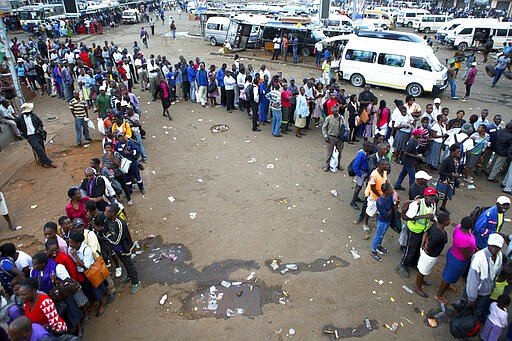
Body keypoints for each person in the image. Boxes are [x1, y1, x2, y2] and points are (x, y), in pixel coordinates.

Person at [435, 216, 476, 304]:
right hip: (458, 261)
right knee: (448, 277)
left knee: (451, 276)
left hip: (454, 254)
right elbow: (466, 256)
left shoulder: (459, 228)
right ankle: (439, 295)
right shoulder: (463, 239)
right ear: (470, 227)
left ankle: (448, 285)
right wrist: (476, 255)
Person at [463, 233, 504, 322]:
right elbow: (472, 280)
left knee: (478, 311)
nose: (494, 248)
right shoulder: (479, 257)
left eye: (497, 247)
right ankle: (462, 326)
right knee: (467, 309)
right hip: (475, 291)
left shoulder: (499, 256)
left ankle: (472, 324)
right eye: (491, 246)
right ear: (488, 244)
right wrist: (472, 298)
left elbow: (497, 271)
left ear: (500, 248)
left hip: (486, 292)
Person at [398, 187, 437, 278]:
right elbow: (408, 217)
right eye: (429, 196)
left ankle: (413, 263)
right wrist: (424, 216)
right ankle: (403, 264)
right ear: (425, 196)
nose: (431, 199)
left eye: (432, 196)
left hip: (423, 230)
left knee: (418, 249)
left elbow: (432, 215)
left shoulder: (433, 204)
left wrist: (433, 219)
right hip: (413, 230)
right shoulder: (417, 204)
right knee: (410, 249)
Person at [103, 204, 140, 294]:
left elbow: (117, 240)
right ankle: (129, 275)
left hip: (124, 247)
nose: (104, 212)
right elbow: (104, 232)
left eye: (106, 211)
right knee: (123, 262)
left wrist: (108, 237)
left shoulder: (120, 223)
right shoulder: (107, 220)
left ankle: (135, 281)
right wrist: (109, 237)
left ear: (112, 213)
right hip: (116, 247)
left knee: (129, 263)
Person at [67, 232, 106, 317]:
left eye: (71, 242)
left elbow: (86, 266)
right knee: (87, 289)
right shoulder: (70, 248)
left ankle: (101, 304)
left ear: (78, 243)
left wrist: (75, 256)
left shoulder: (86, 249)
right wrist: (78, 262)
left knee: (96, 288)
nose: (69, 244)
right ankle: (93, 301)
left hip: (91, 272)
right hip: (81, 273)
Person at [414, 212, 450, 298]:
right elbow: (429, 246)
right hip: (429, 256)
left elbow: (426, 233)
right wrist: (425, 244)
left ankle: (421, 281)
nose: (449, 221)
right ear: (444, 222)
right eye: (448, 219)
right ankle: (417, 287)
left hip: (431, 255)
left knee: (424, 270)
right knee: (422, 271)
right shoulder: (438, 234)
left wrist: (423, 242)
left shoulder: (436, 225)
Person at [16, 103, 56, 168]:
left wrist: (39, 129)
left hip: (38, 134)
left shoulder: (33, 115)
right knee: (38, 149)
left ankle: (43, 162)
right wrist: (24, 134)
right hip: (30, 136)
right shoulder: (20, 119)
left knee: (41, 149)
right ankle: (49, 163)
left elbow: (40, 123)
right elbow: (19, 127)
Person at [362, 159, 390, 234]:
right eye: (386, 165)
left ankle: (377, 221)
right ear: (380, 166)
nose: (387, 166)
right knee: (370, 210)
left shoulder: (384, 172)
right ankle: (365, 224)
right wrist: (380, 195)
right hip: (374, 196)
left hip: (381, 195)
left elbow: (385, 181)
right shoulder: (374, 175)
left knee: (379, 210)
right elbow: (372, 188)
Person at [370, 182, 395, 262]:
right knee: (378, 235)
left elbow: (391, 207)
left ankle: (379, 246)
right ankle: (373, 251)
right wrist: (392, 208)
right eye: (391, 189)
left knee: (382, 234)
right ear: (387, 191)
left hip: (388, 220)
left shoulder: (390, 196)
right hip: (383, 221)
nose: (392, 189)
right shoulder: (380, 202)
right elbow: (385, 214)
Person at [436, 144, 461, 214]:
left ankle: (443, 206)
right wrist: (452, 174)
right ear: (452, 152)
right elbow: (441, 172)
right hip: (444, 180)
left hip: (451, 180)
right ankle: (435, 208)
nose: (459, 153)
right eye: (457, 152)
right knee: (439, 195)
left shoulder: (458, 159)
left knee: (447, 194)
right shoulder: (447, 160)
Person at [322, 105, 347, 172]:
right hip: (331, 137)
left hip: (340, 138)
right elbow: (324, 128)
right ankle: (327, 165)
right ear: (332, 112)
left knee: (339, 152)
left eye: (337, 111)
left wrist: (346, 133)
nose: (336, 113)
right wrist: (325, 136)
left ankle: (338, 164)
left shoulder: (341, 118)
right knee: (329, 152)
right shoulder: (328, 118)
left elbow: (345, 126)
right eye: (335, 111)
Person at [350, 141, 372, 209]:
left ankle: (356, 198)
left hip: (363, 172)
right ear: (365, 147)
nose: (371, 149)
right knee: (359, 186)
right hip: (361, 172)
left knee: (359, 186)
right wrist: (359, 174)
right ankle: (353, 202)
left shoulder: (365, 153)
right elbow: (355, 165)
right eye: (369, 147)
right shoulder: (361, 154)